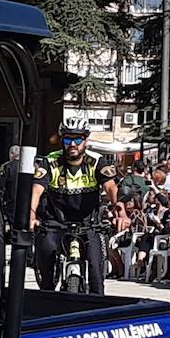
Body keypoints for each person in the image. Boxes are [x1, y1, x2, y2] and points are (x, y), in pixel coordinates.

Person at [32, 117, 110, 295]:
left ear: (86, 140)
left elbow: (110, 187)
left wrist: (121, 212)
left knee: (96, 271)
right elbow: (36, 190)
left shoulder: (97, 161)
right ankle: (47, 299)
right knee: (46, 262)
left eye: (78, 139)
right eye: (68, 139)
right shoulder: (49, 162)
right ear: (62, 141)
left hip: (89, 223)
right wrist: (31, 215)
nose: (72, 144)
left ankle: (98, 306)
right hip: (56, 222)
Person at [0, 145, 22, 221]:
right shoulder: (27, 167)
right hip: (24, 201)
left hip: (10, 201)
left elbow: (1, 184)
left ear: (11, 154)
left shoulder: (7, 166)